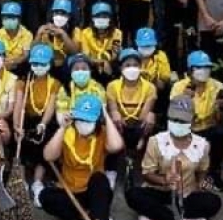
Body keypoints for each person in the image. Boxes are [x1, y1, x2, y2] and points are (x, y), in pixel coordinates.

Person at [125, 95, 221, 220]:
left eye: (182, 121)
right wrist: (164, 180)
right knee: (133, 195)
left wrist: (202, 183)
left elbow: (202, 171)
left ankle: (158, 215)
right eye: (174, 119)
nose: (178, 123)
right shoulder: (156, 141)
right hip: (159, 191)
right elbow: (147, 174)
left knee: (214, 202)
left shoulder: (202, 145)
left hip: (186, 194)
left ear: (192, 120)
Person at [40, 94, 123, 220]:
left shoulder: (103, 133)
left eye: (88, 120)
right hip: (70, 192)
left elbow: (116, 146)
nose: (83, 123)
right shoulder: (67, 133)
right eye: (80, 119)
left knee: (100, 179)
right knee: (45, 197)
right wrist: (62, 127)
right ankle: (94, 215)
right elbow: (48, 156)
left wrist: (106, 116)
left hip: (93, 192)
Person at [13, 44, 62, 207]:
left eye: (42, 63)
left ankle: (37, 182)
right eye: (35, 63)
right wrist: (16, 125)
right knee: (18, 143)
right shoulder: (23, 82)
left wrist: (43, 124)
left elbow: (50, 107)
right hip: (25, 119)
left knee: (46, 141)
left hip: (44, 121)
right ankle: (21, 182)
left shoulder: (55, 83)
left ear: (49, 64)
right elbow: (18, 105)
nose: (38, 66)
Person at [171, 51, 223, 189]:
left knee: (220, 133)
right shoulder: (179, 87)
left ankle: (214, 172)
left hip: (209, 127)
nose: (204, 70)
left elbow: (220, 119)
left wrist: (220, 108)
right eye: (199, 67)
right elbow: (176, 116)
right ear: (190, 70)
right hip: (187, 128)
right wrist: (185, 99)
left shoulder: (218, 87)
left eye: (207, 67)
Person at [106, 48, 157, 190]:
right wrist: (115, 115)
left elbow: (143, 114)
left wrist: (141, 134)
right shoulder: (112, 86)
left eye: (135, 65)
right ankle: (111, 170)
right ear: (121, 68)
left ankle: (142, 169)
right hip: (119, 125)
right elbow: (113, 110)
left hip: (138, 125)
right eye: (127, 65)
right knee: (111, 120)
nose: (132, 68)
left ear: (141, 67)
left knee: (150, 119)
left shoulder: (150, 87)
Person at [34, 0, 80, 80]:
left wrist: (63, 34)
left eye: (63, 13)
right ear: (52, 15)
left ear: (69, 16)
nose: (59, 16)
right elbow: (33, 52)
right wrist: (38, 34)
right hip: (49, 66)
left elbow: (75, 52)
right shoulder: (46, 29)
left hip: (67, 67)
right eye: (56, 13)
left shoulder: (75, 30)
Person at [80, 2, 122, 86]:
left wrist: (105, 61)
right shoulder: (85, 33)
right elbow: (86, 56)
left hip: (110, 63)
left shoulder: (117, 33)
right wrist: (102, 62)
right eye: (98, 16)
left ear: (110, 18)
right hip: (93, 65)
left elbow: (114, 54)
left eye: (105, 16)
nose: (101, 19)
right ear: (92, 18)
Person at [56, 53, 107, 123]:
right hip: (71, 125)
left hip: (94, 124)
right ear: (71, 72)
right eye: (76, 69)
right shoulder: (65, 89)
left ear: (90, 71)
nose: (80, 71)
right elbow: (61, 117)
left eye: (84, 68)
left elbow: (103, 115)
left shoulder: (98, 88)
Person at [136, 28, 171, 122]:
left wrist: (153, 78)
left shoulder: (161, 56)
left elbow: (163, 83)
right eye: (143, 45)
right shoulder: (132, 56)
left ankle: (160, 117)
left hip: (156, 92)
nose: (146, 48)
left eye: (149, 45)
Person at [0, 1, 33, 76]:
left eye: (12, 17)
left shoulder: (27, 34)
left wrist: (14, 62)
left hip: (20, 65)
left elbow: (25, 55)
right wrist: (4, 63)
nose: (9, 19)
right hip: (3, 63)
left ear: (19, 19)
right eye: (6, 17)